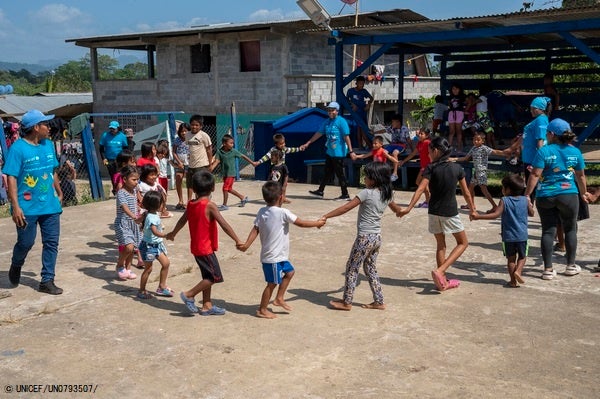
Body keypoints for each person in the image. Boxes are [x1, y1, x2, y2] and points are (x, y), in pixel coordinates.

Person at [398, 136, 476, 292]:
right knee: (463, 243)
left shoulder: (431, 168)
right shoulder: (457, 168)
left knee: (441, 245)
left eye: (429, 152)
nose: (428, 155)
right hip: (450, 212)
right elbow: (466, 192)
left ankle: (443, 282)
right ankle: (441, 271)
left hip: (433, 211)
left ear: (435, 151)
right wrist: (473, 209)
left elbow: (420, 189)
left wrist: (408, 208)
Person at [237, 181, 325, 318]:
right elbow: (301, 223)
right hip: (272, 257)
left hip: (280, 256)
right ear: (281, 197)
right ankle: (262, 309)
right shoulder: (283, 212)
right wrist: (317, 224)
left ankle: (279, 298)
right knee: (271, 283)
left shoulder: (262, 211)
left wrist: (247, 244)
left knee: (290, 272)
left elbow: (256, 229)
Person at [323, 162, 403, 310]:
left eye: (366, 176)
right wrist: (403, 211)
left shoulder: (366, 193)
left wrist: (326, 216)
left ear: (374, 178)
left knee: (352, 268)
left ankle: (347, 302)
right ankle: (379, 301)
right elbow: (397, 209)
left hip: (364, 238)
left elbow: (346, 207)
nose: (364, 179)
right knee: (370, 268)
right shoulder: (387, 193)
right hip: (377, 238)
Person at [166, 170, 243, 316]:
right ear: (213, 188)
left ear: (193, 189)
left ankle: (207, 305)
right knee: (215, 277)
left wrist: (173, 233)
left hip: (197, 247)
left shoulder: (191, 204)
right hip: (205, 249)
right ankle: (189, 294)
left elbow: (182, 220)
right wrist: (237, 240)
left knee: (207, 276)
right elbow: (224, 225)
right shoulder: (210, 205)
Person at [5, 110, 64, 295]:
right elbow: (11, 177)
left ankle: (47, 280)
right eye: (46, 124)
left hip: (50, 206)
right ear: (36, 128)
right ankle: (16, 264)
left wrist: (59, 192)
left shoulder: (48, 145)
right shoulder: (18, 148)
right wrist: (15, 206)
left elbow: (52, 170)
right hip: (27, 208)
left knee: (51, 243)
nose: (49, 127)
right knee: (26, 242)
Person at [524, 118, 589, 280]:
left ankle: (547, 269)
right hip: (569, 195)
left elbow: (535, 174)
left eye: (547, 133)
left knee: (547, 231)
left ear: (552, 134)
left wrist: (527, 195)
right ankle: (571, 266)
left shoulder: (544, 151)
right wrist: (584, 193)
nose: (546, 135)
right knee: (570, 229)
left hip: (546, 196)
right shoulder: (575, 152)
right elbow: (580, 176)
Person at [470, 174, 534, 287]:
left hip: (508, 236)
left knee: (511, 259)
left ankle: (513, 281)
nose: (502, 190)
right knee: (523, 257)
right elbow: (532, 214)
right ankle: (518, 271)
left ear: (508, 189)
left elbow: (496, 214)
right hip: (522, 236)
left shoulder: (504, 200)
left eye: (503, 187)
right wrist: (529, 204)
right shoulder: (524, 200)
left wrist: (479, 216)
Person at [303, 101, 357, 200]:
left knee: (339, 173)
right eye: (328, 110)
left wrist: (351, 151)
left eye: (332, 110)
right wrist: (308, 143)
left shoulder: (341, 121)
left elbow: (346, 137)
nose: (330, 112)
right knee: (327, 172)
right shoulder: (327, 122)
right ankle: (320, 191)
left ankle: (345, 194)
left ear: (337, 111)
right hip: (330, 151)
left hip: (338, 152)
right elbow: (319, 133)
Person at [450, 131, 507, 213]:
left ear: (482, 141)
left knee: (484, 190)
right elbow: (466, 158)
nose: (475, 141)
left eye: (478, 140)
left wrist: (505, 153)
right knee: (471, 188)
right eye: (474, 140)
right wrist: (454, 159)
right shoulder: (473, 148)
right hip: (476, 172)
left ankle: (494, 206)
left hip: (481, 172)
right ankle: (471, 205)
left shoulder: (484, 148)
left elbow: (495, 152)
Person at [137, 191, 173, 299]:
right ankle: (141, 291)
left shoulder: (149, 214)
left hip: (156, 245)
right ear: (157, 205)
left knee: (166, 263)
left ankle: (161, 287)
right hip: (149, 247)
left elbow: (138, 221)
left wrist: (139, 221)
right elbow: (154, 232)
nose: (164, 205)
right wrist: (166, 235)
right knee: (148, 269)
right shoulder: (151, 217)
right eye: (162, 203)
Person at [253, 133, 303, 203]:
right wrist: (259, 162)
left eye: (284, 143)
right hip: (275, 170)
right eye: (281, 144)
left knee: (284, 185)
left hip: (282, 169)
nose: (283, 145)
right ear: (276, 144)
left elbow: (291, 149)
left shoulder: (284, 149)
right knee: (274, 186)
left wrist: (299, 149)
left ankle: (283, 198)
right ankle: (274, 198)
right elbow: (266, 157)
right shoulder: (273, 150)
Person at [209, 134, 254, 211]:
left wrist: (252, 163)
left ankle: (225, 205)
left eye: (233, 143)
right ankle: (243, 198)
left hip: (231, 173)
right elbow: (216, 161)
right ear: (224, 144)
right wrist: (210, 169)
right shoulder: (219, 152)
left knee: (225, 188)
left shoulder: (233, 151)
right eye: (231, 143)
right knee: (229, 189)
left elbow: (243, 156)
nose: (232, 145)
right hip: (225, 173)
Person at [114, 165, 141, 281]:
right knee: (129, 247)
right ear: (125, 179)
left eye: (137, 180)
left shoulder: (134, 191)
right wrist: (134, 216)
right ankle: (120, 265)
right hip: (123, 223)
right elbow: (124, 207)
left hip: (133, 224)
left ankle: (128, 269)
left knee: (133, 247)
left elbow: (136, 203)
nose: (136, 182)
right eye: (133, 180)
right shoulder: (121, 193)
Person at [398, 127, 432, 208]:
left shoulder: (428, 143)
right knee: (418, 183)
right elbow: (413, 154)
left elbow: (432, 154)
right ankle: (428, 201)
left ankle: (429, 202)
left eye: (422, 134)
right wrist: (404, 161)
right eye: (419, 133)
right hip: (423, 167)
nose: (419, 135)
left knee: (420, 183)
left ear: (427, 135)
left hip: (428, 167)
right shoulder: (420, 143)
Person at [186, 114, 212, 203]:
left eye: (197, 125)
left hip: (201, 165)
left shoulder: (204, 135)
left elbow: (209, 150)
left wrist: (210, 164)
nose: (194, 127)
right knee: (190, 184)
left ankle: (202, 201)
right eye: (192, 124)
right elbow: (188, 148)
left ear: (201, 126)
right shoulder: (187, 135)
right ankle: (189, 201)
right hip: (191, 165)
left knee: (200, 185)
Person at [99, 120, 129, 195]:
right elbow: (101, 148)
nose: (112, 130)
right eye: (111, 128)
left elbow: (125, 148)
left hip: (120, 160)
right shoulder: (105, 135)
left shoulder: (122, 136)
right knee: (112, 175)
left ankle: (121, 189)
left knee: (120, 174)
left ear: (118, 128)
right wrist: (104, 158)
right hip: (109, 159)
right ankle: (115, 188)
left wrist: (125, 159)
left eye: (114, 129)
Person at [382, 113, 413, 182]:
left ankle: (395, 173)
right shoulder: (391, 128)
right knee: (383, 152)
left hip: (401, 145)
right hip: (392, 144)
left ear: (398, 122)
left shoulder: (404, 129)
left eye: (393, 122)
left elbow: (408, 140)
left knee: (395, 153)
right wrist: (374, 132)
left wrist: (412, 149)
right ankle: (384, 170)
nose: (392, 123)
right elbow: (384, 130)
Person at [346, 75, 374, 148]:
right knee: (358, 129)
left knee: (362, 129)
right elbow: (346, 100)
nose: (361, 85)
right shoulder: (351, 91)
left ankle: (367, 146)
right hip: (355, 113)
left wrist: (368, 105)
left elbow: (371, 98)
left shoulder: (364, 91)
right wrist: (352, 105)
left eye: (363, 84)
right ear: (356, 83)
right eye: (360, 83)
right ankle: (361, 145)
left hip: (363, 112)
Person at [172, 122, 190, 210]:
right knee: (178, 179)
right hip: (179, 163)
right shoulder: (177, 140)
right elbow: (174, 151)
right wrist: (179, 162)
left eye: (186, 131)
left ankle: (189, 201)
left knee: (189, 182)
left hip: (189, 163)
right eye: (182, 131)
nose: (184, 133)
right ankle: (180, 200)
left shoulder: (191, 139)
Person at [447, 83, 466, 152]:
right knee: (451, 132)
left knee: (458, 131)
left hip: (459, 113)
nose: (455, 90)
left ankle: (459, 147)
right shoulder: (450, 97)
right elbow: (450, 106)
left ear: (459, 89)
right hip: (451, 113)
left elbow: (468, 103)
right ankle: (448, 148)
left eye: (456, 89)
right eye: (453, 89)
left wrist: (465, 111)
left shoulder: (463, 96)